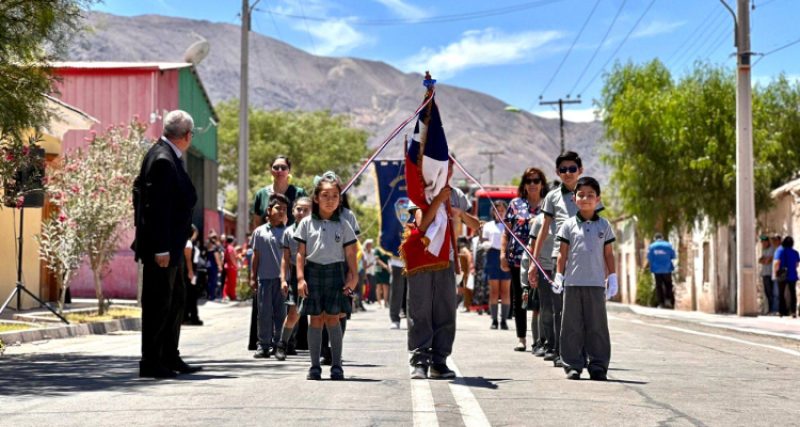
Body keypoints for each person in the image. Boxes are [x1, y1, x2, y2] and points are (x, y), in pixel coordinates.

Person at [132, 109, 200, 378]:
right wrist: (161, 247)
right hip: (162, 249)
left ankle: (170, 355)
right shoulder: (162, 158)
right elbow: (156, 208)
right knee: (159, 303)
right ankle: (152, 361)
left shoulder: (168, 154)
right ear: (187, 135)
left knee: (176, 300)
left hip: (172, 246)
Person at [532, 150, 602, 368]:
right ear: (557, 172)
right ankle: (561, 351)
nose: (568, 173)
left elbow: (600, 226)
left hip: (587, 260)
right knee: (559, 307)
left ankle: (586, 353)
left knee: (584, 309)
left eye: (572, 169)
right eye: (563, 169)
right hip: (559, 257)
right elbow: (544, 229)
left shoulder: (589, 193)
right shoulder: (552, 197)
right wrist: (533, 263)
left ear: (580, 170)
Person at [295, 173, 358, 381]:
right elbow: (300, 253)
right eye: (325, 195)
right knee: (315, 319)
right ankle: (314, 367)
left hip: (336, 273)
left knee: (333, 318)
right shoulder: (305, 223)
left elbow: (350, 253)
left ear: (340, 199)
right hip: (313, 273)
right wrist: (301, 278)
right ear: (316, 198)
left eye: (334, 196)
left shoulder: (343, 223)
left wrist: (353, 277)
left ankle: (337, 366)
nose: (330, 200)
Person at [554, 176, 617, 381]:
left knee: (597, 326)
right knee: (571, 326)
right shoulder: (568, 225)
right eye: (581, 194)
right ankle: (573, 365)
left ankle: (598, 365)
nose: (586, 198)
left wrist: (613, 277)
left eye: (591, 195)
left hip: (596, 284)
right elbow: (563, 253)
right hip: (572, 284)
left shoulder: (604, 226)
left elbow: (608, 254)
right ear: (574, 199)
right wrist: (559, 274)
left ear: (598, 199)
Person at [502, 167, 547, 351]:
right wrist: (502, 254)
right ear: (524, 185)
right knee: (521, 297)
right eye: (529, 181)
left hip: (542, 260)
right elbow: (506, 232)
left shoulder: (548, 205)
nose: (533, 184)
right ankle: (521, 338)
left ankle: (543, 339)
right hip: (517, 259)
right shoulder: (515, 204)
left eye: (536, 181)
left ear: (542, 183)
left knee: (542, 299)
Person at [250, 193, 289, 358]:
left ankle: (279, 345)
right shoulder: (259, 232)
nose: (281, 212)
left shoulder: (288, 233)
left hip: (282, 281)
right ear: (268, 210)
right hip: (264, 279)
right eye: (278, 208)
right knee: (264, 313)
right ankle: (263, 345)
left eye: (284, 209)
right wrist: (252, 277)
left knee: (281, 314)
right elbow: (255, 256)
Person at [275, 196, 312, 360]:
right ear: (293, 211)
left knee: (320, 315)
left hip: (315, 272)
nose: (302, 212)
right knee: (293, 314)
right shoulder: (288, 232)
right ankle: (282, 344)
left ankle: (324, 349)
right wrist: (283, 279)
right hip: (295, 274)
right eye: (299, 209)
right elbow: (285, 257)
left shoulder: (316, 229)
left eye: (306, 209)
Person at [483, 200, 511, 330]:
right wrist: (485, 244)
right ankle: (494, 320)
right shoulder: (488, 225)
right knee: (494, 291)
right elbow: (484, 240)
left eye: (502, 210)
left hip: (506, 256)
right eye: (497, 210)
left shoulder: (510, 224)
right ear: (493, 212)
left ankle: (504, 320)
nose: (499, 212)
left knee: (505, 291)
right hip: (492, 256)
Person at [647, 233, 676, 309]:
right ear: (662, 238)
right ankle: (668, 301)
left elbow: (650, 258)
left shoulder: (652, 246)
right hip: (667, 269)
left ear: (655, 238)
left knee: (658, 286)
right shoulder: (668, 245)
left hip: (657, 270)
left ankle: (661, 303)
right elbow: (673, 256)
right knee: (668, 285)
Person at [773, 236, 799, 318]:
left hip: (782, 274)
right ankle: (793, 311)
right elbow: (797, 264)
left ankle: (781, 311)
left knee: (781, 293)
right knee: (792, 293)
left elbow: (776, 262)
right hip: (792, 274)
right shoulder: (795, 252)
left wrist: (775, 272)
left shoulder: (780, 250)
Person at [183, 224, 203, 326]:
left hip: (193, 272)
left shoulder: (192, 243)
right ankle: (192, 317)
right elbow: (188, 261)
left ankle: (189, 317)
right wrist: (191, 272)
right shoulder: (188, 243)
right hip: (189, 273)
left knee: (191, 296)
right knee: (191, 296)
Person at [758, 235, 776, 314]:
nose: (763, 244)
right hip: (765, 273)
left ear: (767, 242)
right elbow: (760, 260)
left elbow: (768, 260)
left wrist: (764, 260)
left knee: (771, 292)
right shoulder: (764, 250)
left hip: (770, 273)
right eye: (762, 242)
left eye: (764, 242)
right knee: (767, 292)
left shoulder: (772, 249)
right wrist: (764, 259)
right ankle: (769, 309)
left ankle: (772, 309)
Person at [205, 233, 223, 301]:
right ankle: (212, 296)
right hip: (213, 265)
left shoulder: (208, 246)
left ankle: (209, 295)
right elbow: (217, 257)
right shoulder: (215, 247)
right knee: (213, 280)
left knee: (209, 280)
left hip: (208, 265)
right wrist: (219, 266)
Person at [222, 235, 238, 301]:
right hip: (231, 266)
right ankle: (231, 295)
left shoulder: (228, 247)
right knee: (231, 282)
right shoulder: (230, 248)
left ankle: (229, 295)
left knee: (229, 282)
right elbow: (232, 257)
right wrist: (235, 265)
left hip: (229, 266)